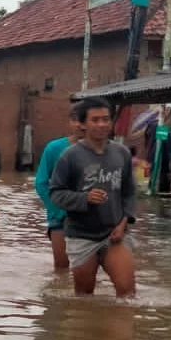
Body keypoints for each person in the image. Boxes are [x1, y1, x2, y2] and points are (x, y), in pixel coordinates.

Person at [49, 97, 137, 298]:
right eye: (95, 120)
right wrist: (84, 198)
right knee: (84, 295)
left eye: (106, 119)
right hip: (81, 235)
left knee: (127, 292)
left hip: (114, 234)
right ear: (82, 124)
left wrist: (123, 223)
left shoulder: (121, 153)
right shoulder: (69, 156)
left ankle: (122, 327)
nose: (102, 125)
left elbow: (129, 192)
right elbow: (55, 192)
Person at [35, 103, 85, 270]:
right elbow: (41, 183)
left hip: (92, 218)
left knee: (88, 270)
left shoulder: (103, 150)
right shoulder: (54, 148)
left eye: (83, 120)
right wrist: (57, 209)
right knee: (62, 269)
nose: (79, 124)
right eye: (75, 120)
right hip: (60, 218)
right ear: (69, 122)